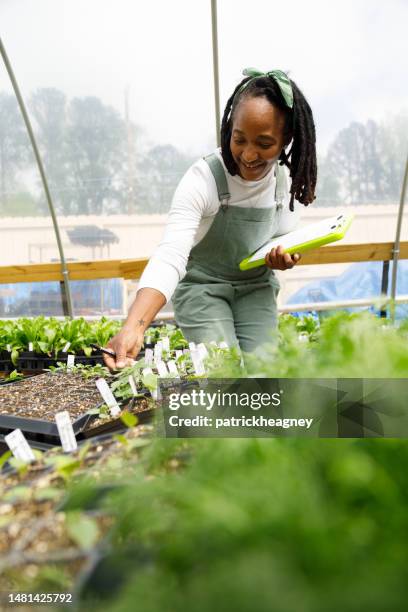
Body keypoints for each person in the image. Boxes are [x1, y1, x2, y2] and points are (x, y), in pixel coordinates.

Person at [104, 68, 317, 370]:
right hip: (203, 288)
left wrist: (282, 255)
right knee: (224, 373)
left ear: (287, 140)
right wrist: (134, 326)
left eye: (264, 144)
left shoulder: (287, 182)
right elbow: (171, 255)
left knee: (265, 374)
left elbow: (282, 236)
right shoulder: (203, 179)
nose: (248, 154)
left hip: (256, 287)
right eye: (239, 138)